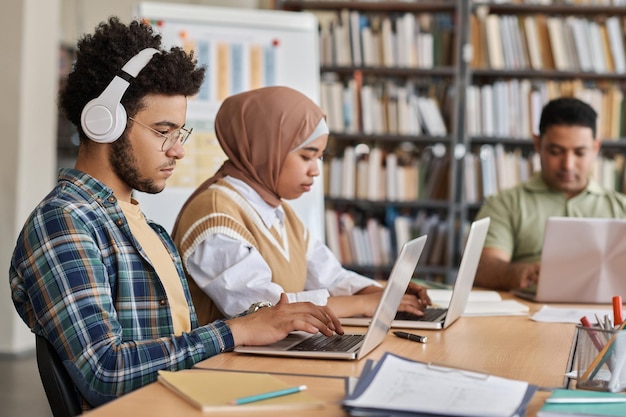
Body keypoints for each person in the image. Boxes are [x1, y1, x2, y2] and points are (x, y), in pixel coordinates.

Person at [9, 18, 343, 411]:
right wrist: (236, 331)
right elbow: (105, 373)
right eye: (163, 130)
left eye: (179, 132)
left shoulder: (144, 226)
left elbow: (179, 345)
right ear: (104, 122)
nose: (178, 150)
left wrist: (262, 327)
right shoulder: (64, 223)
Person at [171, 86, 431, 326]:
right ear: (267, 149)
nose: (315, 171)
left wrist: (382, 292)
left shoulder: (277, 210)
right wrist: (362, 304)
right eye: (306, 156)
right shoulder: (214, 215)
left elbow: (332, 277)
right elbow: (267, 309)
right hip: (221, 367)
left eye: (319, 157)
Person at [474, 97, 626, 291]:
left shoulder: (621, 207)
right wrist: (517, 273)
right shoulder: (505, 203)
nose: (568, 165)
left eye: (579, 153)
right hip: (527, 314)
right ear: (537, 144)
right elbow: (483, 266)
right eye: (555, 151)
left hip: (605, 315)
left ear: (596, 148)